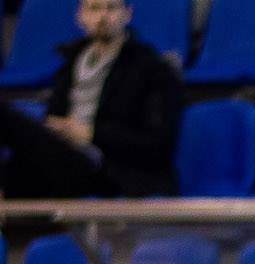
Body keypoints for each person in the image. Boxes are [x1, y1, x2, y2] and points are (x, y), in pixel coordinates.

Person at [0, 0, 181, 202]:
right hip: (63, 155)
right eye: (94, 8)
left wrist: (91, 134)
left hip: (109, 167)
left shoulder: (152, 68)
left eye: (111, 8)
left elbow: (157, 144)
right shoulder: (69, 63)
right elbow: (53, 119)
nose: (102, 16)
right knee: (18, 166)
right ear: (80, 17)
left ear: (127, 14)